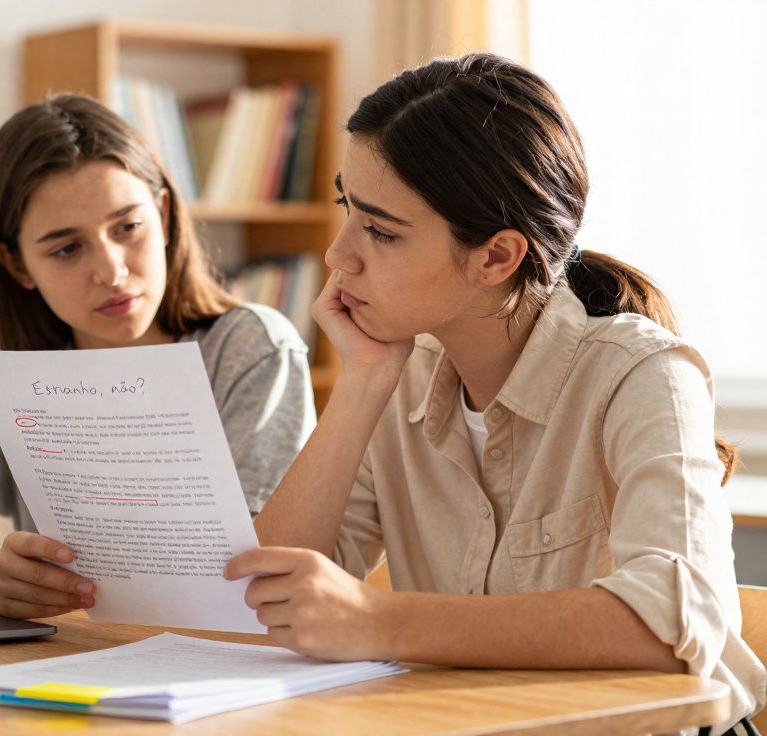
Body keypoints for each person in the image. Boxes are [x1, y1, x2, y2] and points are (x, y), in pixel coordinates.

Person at [223, 53, 765, 732]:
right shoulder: (399, 373)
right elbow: (259, 600)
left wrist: (379, 620)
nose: (339, 256)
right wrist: (361, 382)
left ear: (497, 257)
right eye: (348, 210)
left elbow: (668, 622)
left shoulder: (644, 374)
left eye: (382, 231)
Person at [0, 94, 315, 622]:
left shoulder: (247, 349)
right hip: (71, 663)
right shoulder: (15, 373)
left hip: (224, 667)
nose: (111, 271)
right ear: (17, 265)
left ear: (162, 215)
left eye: (127, 228)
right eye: (67, 249)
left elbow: (261, 578)